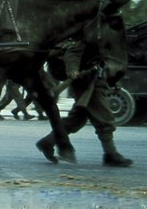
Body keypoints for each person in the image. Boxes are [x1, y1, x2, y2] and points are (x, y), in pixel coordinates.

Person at [36, 39, 133, 167]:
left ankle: (47, 142)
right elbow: (73, 53)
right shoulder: (90, 34)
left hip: (96, 80)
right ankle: (111, 154)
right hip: (88, 83)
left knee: (76, 120)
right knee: (103, 119)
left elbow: (104, 61)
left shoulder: (101, 36)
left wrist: (112, 81)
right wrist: (73, 70)